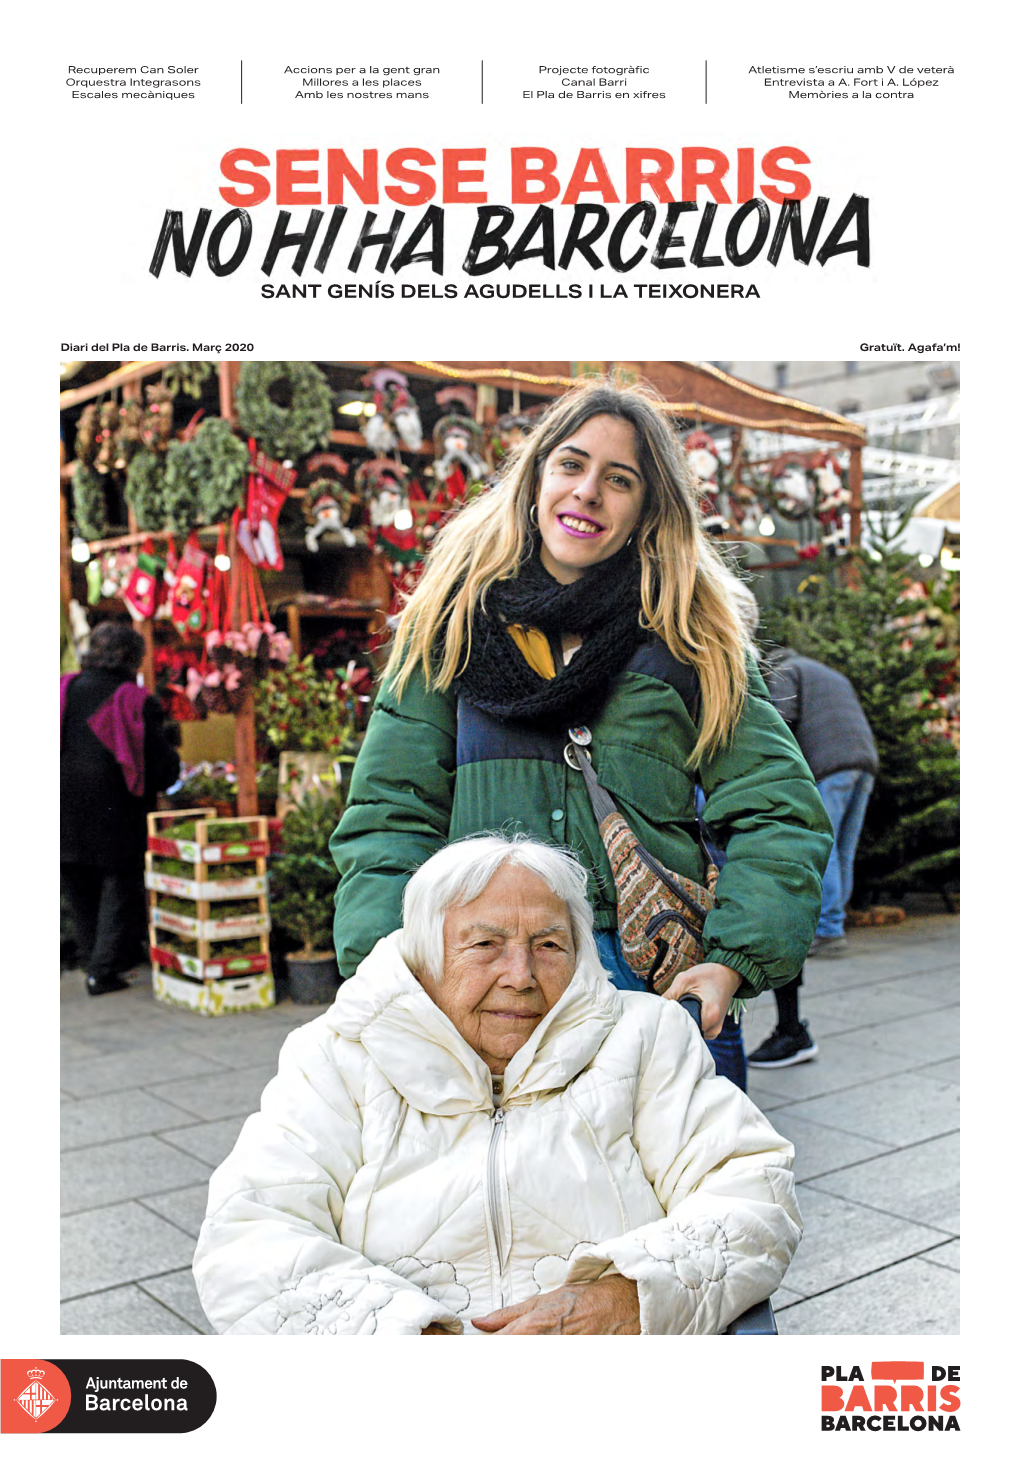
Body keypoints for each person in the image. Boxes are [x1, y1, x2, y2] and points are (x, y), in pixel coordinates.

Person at [330, 378, 832, 1082]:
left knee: (690, 1192)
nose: (588, 491)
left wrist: (733, 962)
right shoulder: (449, 635)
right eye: (571, 464)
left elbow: (781, 811)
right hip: (493, 995)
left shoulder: (691, 644)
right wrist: (386, 971)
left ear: (646, 510)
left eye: (619, 479)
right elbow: (388, 816)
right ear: (536, 479)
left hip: (656, 995)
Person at [193, 835, 803, 1335]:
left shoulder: (646, 1038)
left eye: (548, 945)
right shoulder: (337, 1054)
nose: (520, 975)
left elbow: (753, 1189)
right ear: (424, 957)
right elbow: (248, 1235)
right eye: (484, 945)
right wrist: (402, 1340)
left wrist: (631, 1299)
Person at [747, 645, 879, 1068]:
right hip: (863, 762)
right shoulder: (820, 669)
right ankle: (834, 921)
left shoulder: (785, 672)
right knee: (843, 848)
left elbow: (778, 722)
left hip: (826, 765)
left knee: (821, 845)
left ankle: (826, 930)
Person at [60, 621, 180, 995]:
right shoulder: (133, 698)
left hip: (61, 799)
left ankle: (91, 959)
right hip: (115, 803)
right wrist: (172, 769)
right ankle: (104, 969)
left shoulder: (66, 688)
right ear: (132, 657)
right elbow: (159, 762)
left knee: (77, 878)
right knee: (120, 879)